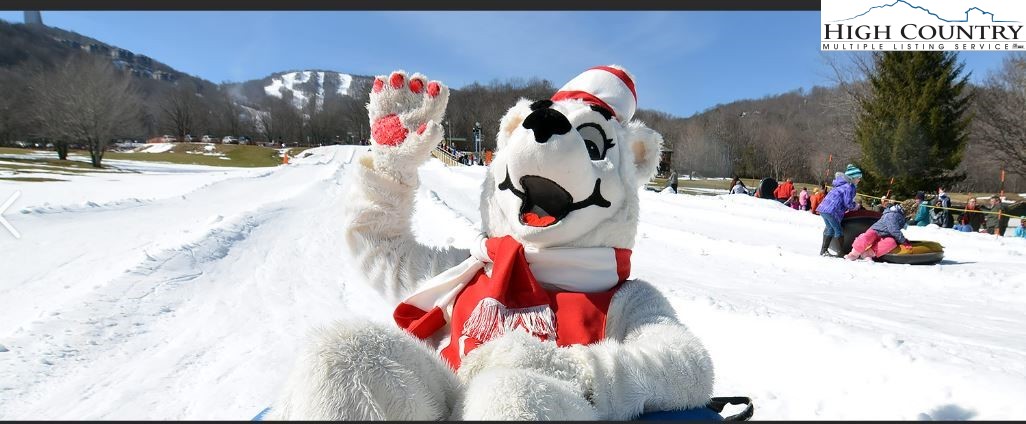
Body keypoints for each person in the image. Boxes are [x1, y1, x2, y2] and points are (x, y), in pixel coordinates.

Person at [816, 164, 862, 257]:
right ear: (852, 178)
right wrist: (856, 206)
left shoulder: (840, 184)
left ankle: (823, 251)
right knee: (838, 230)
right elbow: (847, 203)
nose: (859, 180)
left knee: (830, 229)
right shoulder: (849, 187)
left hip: (824, 208)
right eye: (858, 177)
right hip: (832, 210)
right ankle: (841, 252)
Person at [845, 202, 912, 261]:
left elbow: (894, 230)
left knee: (891, 242)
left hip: (887, 235)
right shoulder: (893, 214)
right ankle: (854, 254)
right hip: (876, 230)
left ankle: (867, 254)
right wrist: (903, 241)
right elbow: (893, 229)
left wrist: (901, 240)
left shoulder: (901, 216)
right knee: (867, 237)